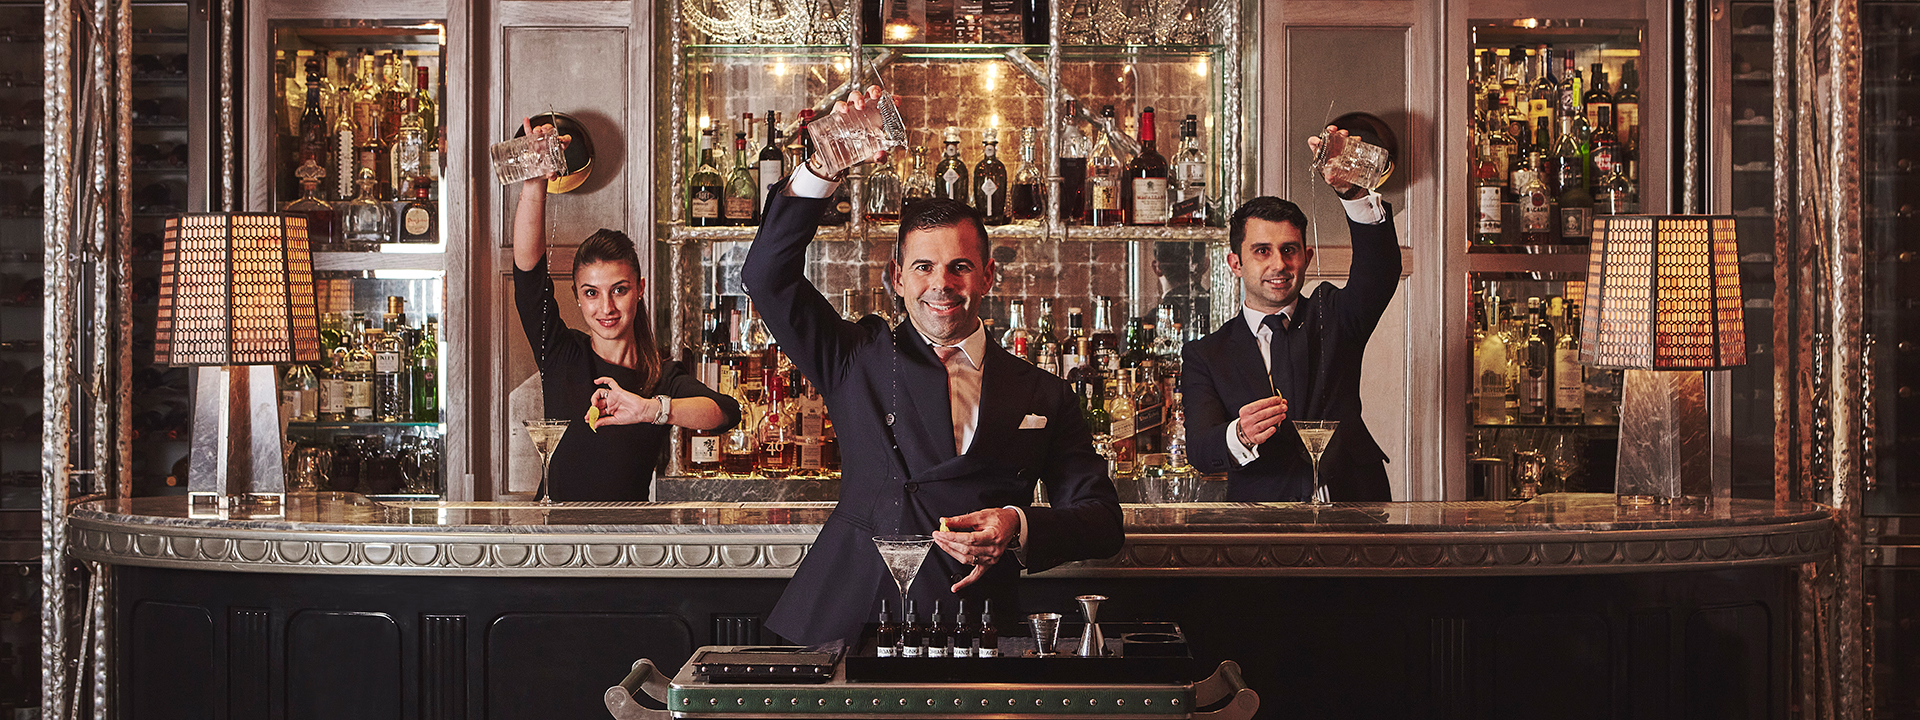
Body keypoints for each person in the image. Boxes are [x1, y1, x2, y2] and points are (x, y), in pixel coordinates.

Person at [744, 89, 1124, 648]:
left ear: (988, 276)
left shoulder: (1043, 392)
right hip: (856, 612)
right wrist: (823, 165)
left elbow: (1101, 520)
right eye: (923, 266)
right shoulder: (855, 357)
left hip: (976, 620)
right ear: (897, 278)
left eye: (959, 266)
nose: (941, 284)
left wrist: (1016, 525)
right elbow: (767, 277)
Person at [512, 121, 741, 501]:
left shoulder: (660, 377)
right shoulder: (562, 353)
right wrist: (535, 180)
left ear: (639, 290)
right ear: (578, 298)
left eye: (619, 290)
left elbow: (724, 411)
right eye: (591, 293)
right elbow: (528, 274)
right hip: (553, 542)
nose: (606, 308)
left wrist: (649, 410)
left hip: (627, 546)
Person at [1180, 127, 1401, 502]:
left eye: (1289, 250)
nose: (1279, 264)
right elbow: (1202, 450)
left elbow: (1379, 273)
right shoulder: (1207, 355)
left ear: (1307, 257)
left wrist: (1352, 193)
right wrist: (1240, 433)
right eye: (1262, 251)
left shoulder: (1334, 316)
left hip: (1356, 511)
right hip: (1264, 523)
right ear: (1236, 263)